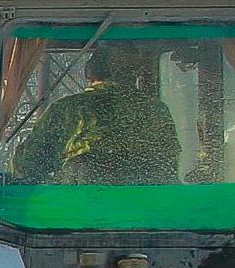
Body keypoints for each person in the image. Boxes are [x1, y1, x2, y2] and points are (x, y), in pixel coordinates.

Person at [9, 43, 180, 185]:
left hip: (77, 209)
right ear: (135, 74)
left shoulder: (68, 108)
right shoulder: (156, 110)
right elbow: (169, 162)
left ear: (90, 71)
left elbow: (28, 164)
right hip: (150, 210)